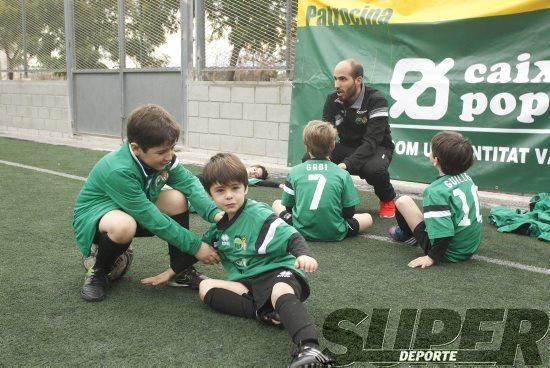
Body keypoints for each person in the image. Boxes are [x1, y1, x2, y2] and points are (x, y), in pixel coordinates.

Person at [196, 153, 335, 368]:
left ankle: (310, 348)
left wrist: (303, 255)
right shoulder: (217, 230)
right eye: (220, 191)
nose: (229, 196)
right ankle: (265, 312)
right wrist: (171, 272)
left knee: (279, 289)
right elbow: (198, 249)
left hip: (278, 272)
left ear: (246, 188)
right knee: (205, 287)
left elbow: (292, 235)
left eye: (235, 188)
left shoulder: (257, 214)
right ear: (210, 195)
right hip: (249, 282)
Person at [73, 104, 221, 302]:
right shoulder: (118, 170)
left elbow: (190, 183)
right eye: (161, 152)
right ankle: (98, 272)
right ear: (136, 148)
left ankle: (181, 271)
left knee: (177, 199)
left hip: (133, 206)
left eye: (172, 149)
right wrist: (195, 247)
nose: (168, 157)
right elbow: (151, 218)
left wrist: (215, 214)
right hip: (97, 216)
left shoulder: (164, 156)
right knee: (124, 226)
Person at [388, 131, 482, 268]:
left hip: (448, 252)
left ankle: (406, 236)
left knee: (403, 202)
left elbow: (445, 232)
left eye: (431, 151)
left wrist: (431, 257)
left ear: (436, 160)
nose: (429, 154)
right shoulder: (467, 178)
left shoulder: (435, 191)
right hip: (470, 246)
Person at [273, 120, 372, 241]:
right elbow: (349, 213)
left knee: (276, 203)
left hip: (299, 230)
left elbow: (288, 207)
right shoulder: (343, 174)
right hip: (335, 231)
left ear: (306, 145)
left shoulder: (294, 172)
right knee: (368, 218)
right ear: (333, 145)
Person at [321, 58, 396, 218]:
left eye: (342, 79)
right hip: (347, 147)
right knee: (312, 158)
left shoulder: (377, 100)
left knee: (374, 170)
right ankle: (325, 199)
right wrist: (322, 154)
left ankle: (387, 199)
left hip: (377, 148)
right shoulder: (332, 99)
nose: (336, 84)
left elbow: (372, 142)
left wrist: (346, 164)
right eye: (335, 78)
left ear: (358, 80)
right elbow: (326, 136)